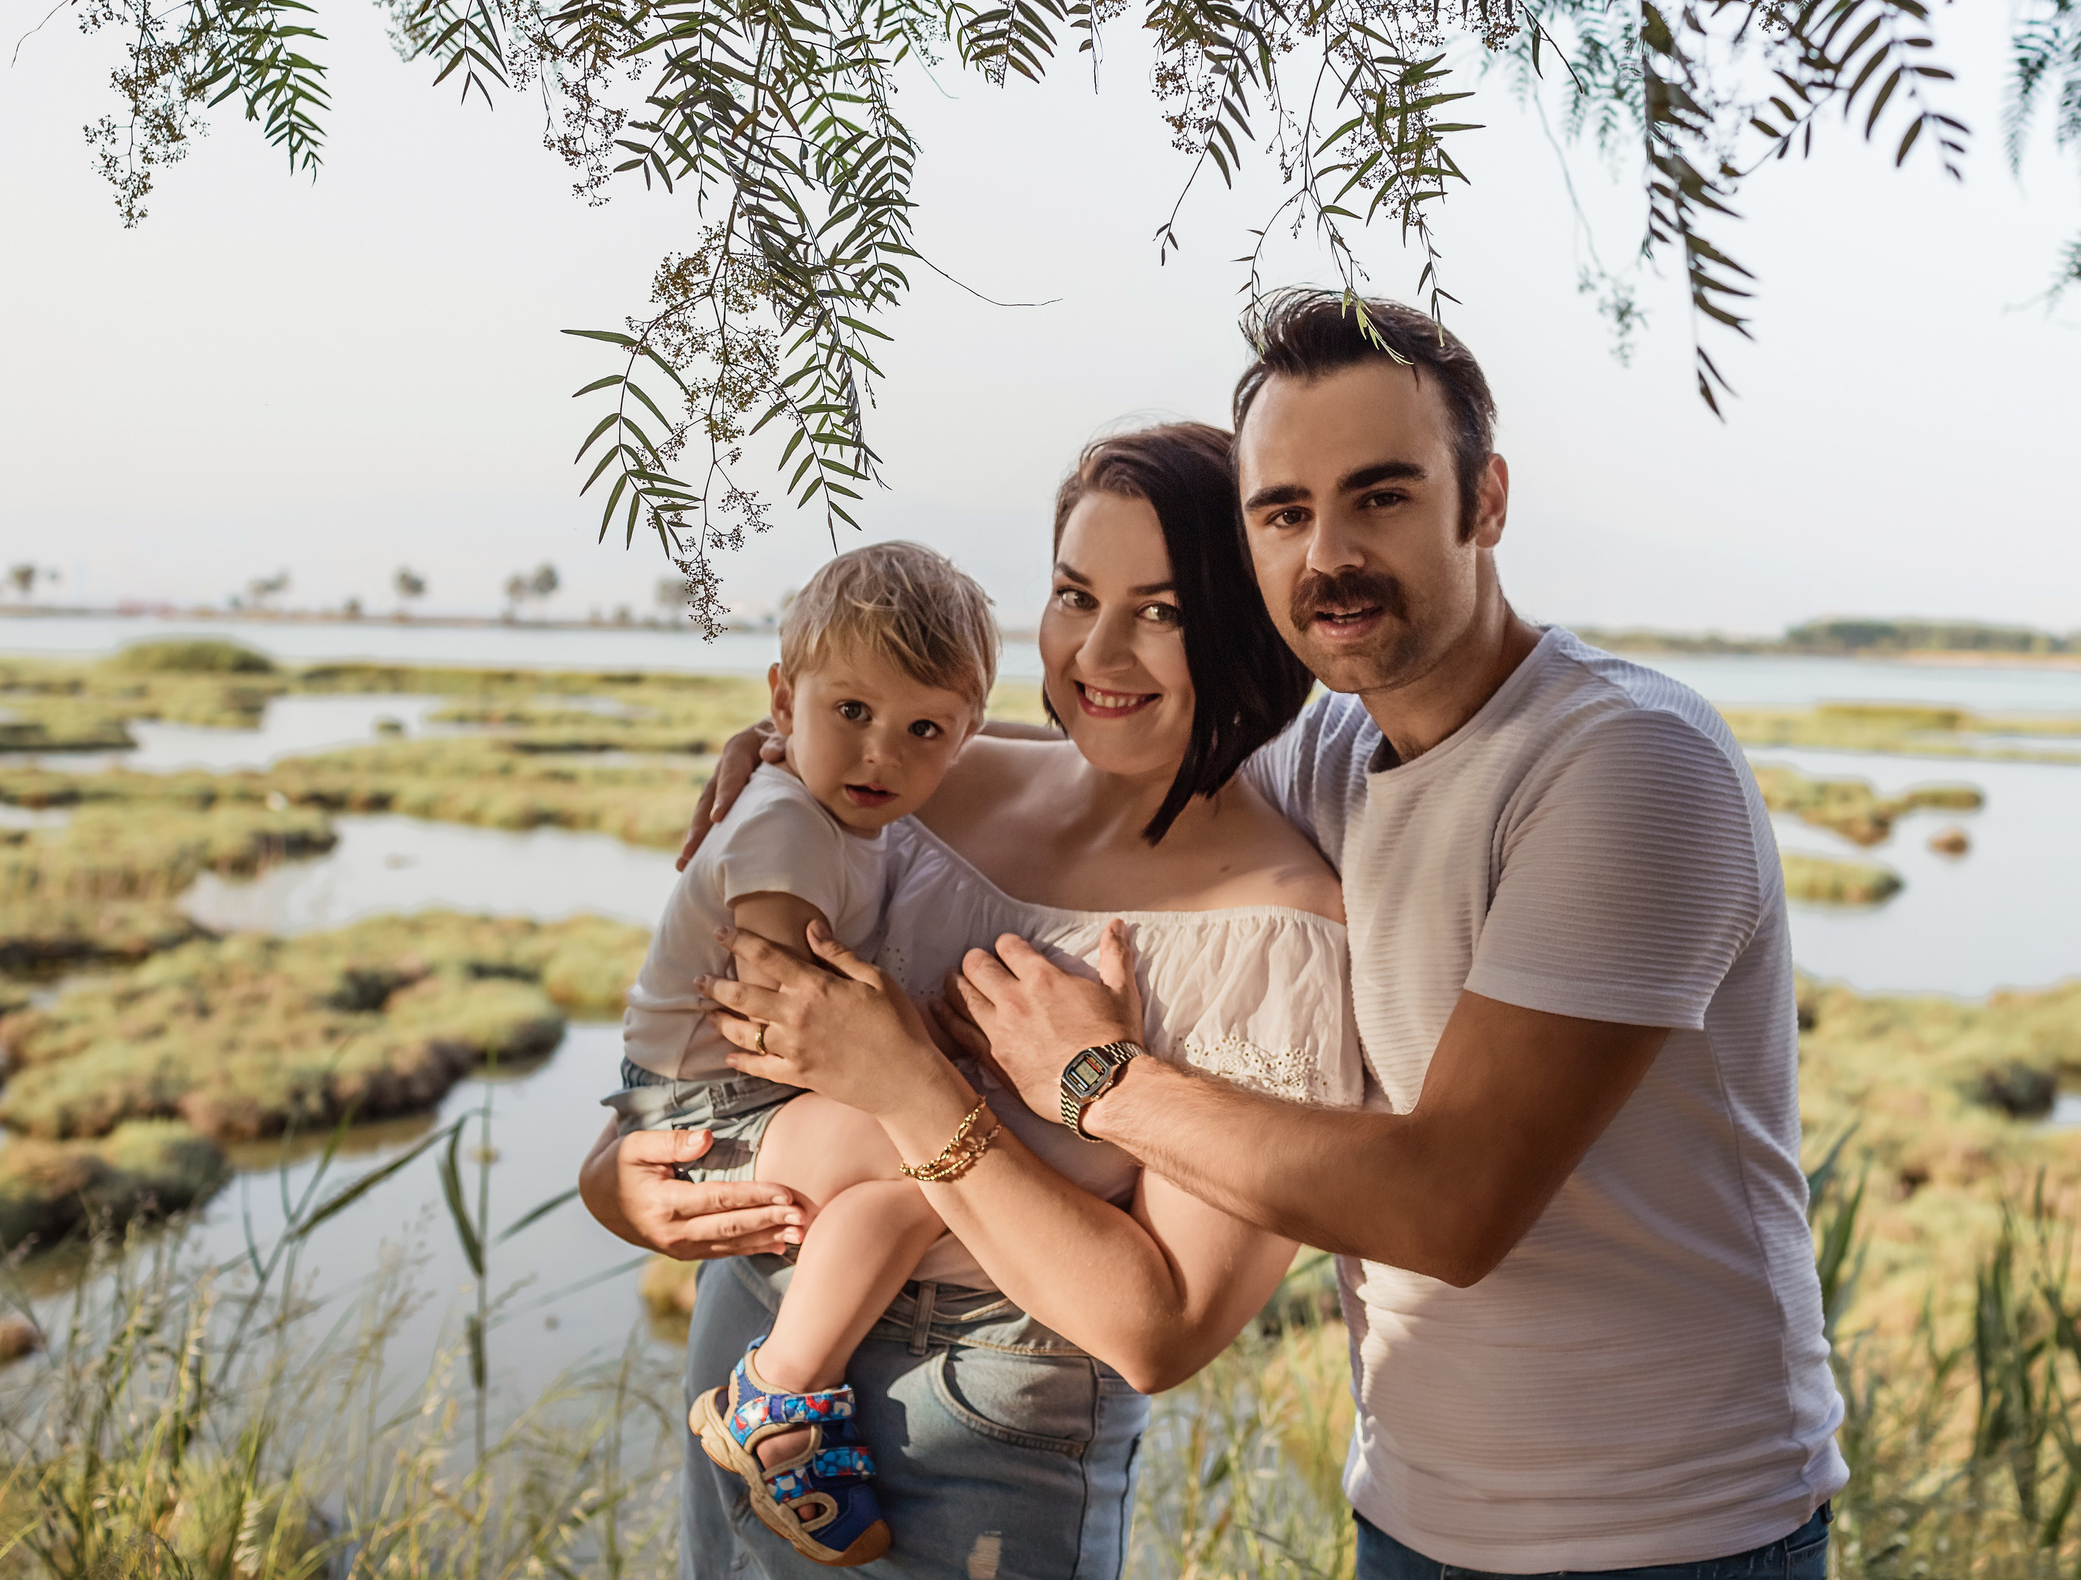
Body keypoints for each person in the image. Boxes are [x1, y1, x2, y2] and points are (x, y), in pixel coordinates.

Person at [713, 294, 1847, 1579]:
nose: (1329, 556)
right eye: (1285, 513)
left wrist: (1094, 1080)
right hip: (1418, 1508)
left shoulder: (1622, 767)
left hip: (1672, 1530)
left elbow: (1451, 1206)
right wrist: (796, 756)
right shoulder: (1337, 750)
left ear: (1485, 501)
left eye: (1381, 497)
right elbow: (1114, 747)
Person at [580, 422, 1360, 1580]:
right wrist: (623, 1176)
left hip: (976, 1422)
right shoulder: (935, 775)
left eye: (1163, 610)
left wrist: (912, 1085)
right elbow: (724, 1017)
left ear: (1249, 620)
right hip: (750, 1325)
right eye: (1072, 593)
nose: (1100, 650)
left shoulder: (1277, 933)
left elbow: (1162, 1331)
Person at [606, 540, 999, 1566]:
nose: (882, 755)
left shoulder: (828, 804)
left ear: (965, 738)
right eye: (851, 715)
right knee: (944, 1162)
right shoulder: (786, 826)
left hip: (731, 1097)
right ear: (784, 701)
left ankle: (785, 1396)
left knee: (926, 1169)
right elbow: (781, 1027)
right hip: (707, 1109)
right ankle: (774, 1399)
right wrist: (920, 1045)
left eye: (924, 730)